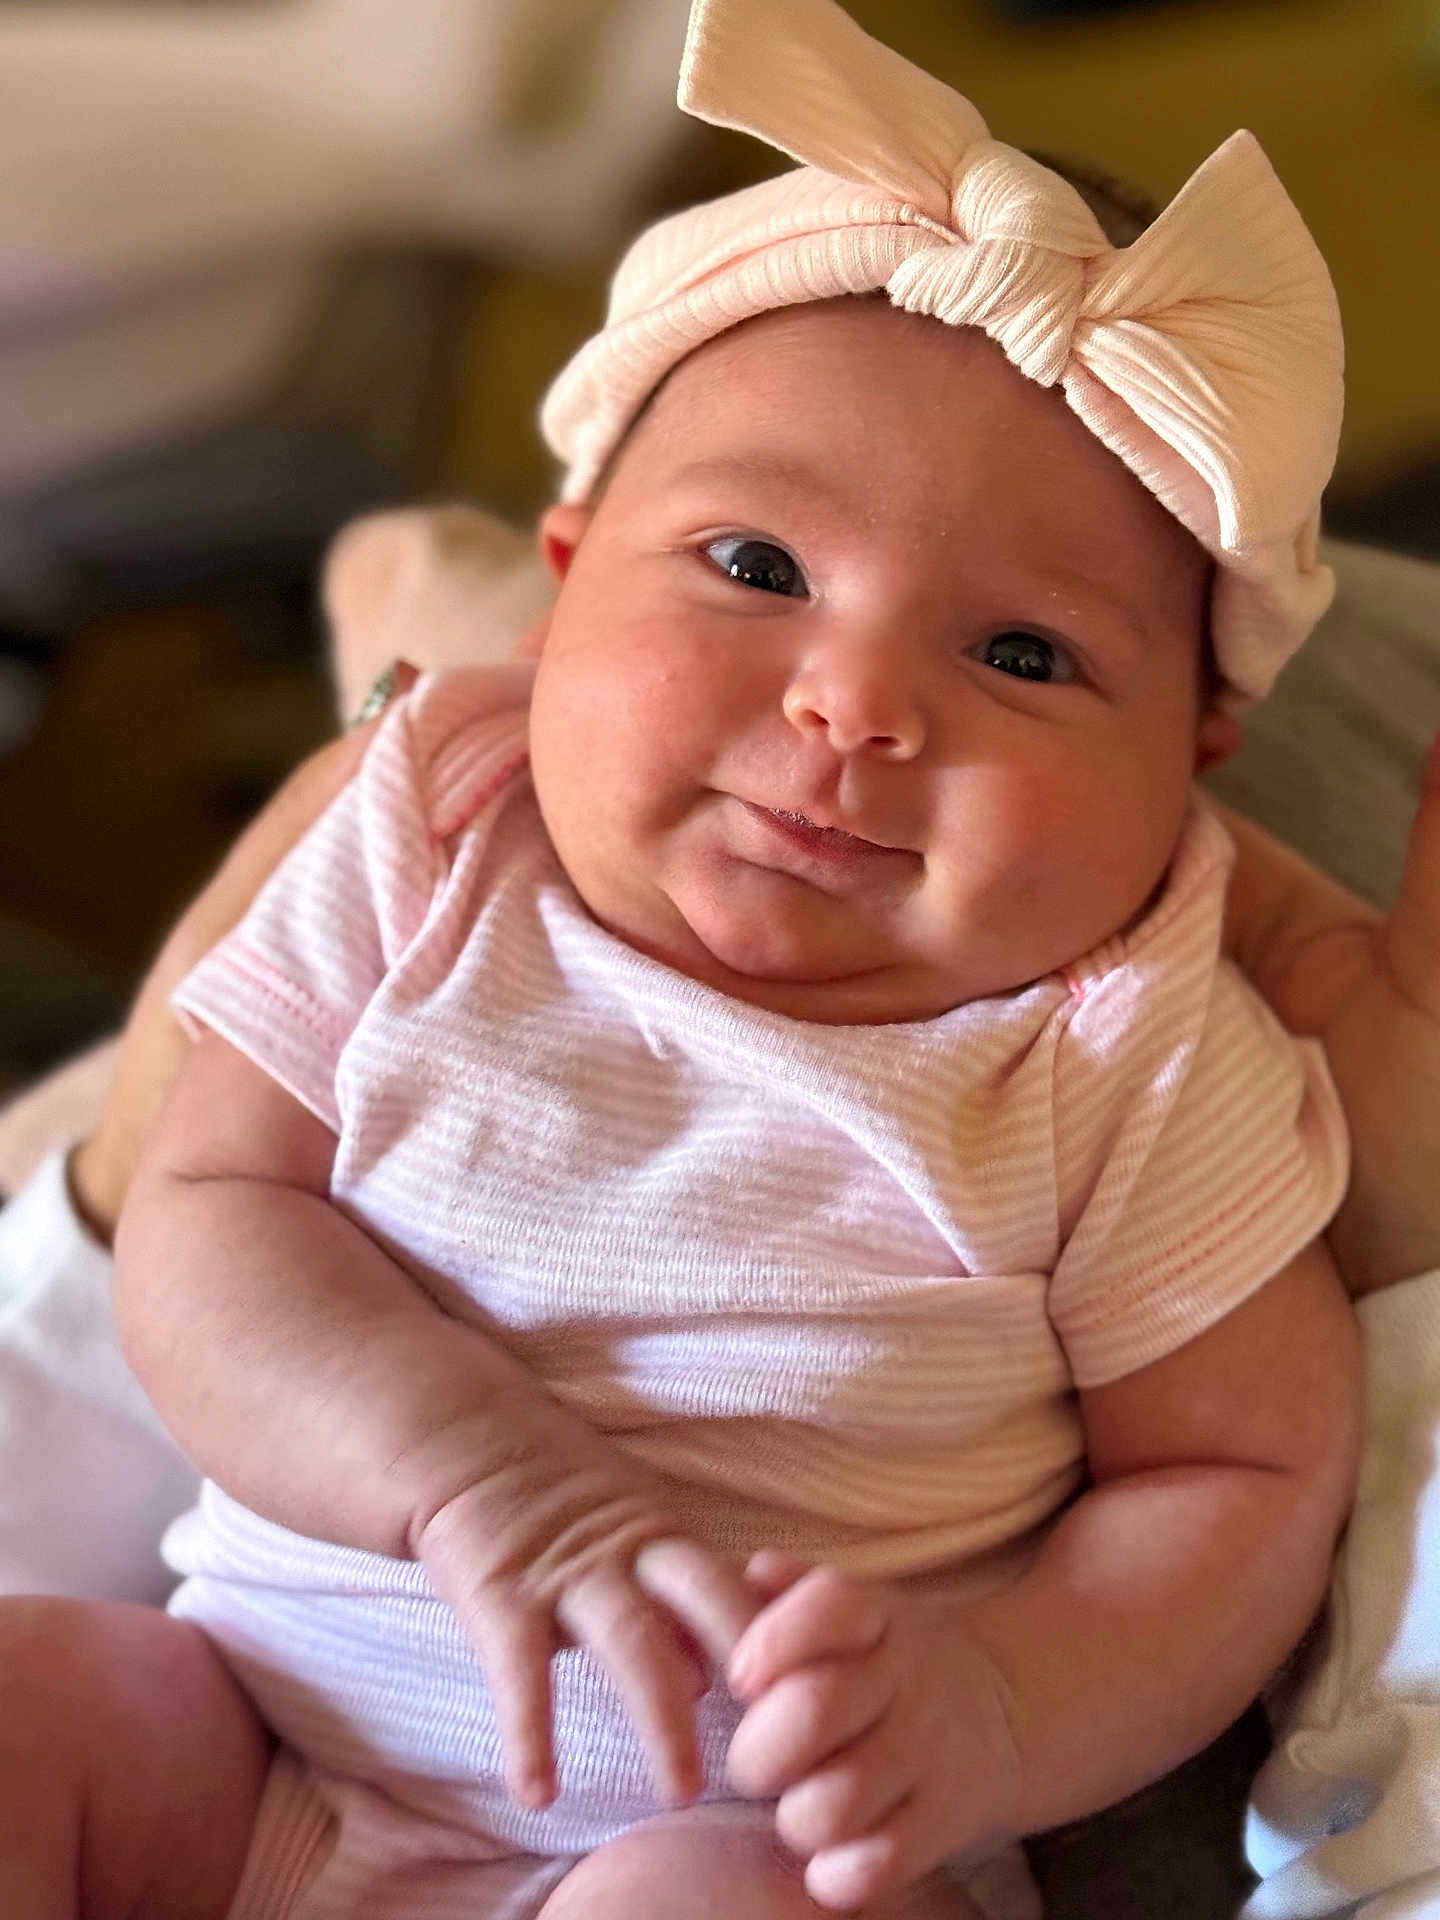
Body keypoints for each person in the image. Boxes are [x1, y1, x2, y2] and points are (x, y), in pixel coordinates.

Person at [0, 2, 1370, 1916]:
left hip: (755, 1838)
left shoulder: (1126, 1041)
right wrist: (469, 1473)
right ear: (562, 574)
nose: (855, 705)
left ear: (1195, 756)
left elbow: (1238, 1486)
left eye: (1025, 656)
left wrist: (993, 1702)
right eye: (754, 569)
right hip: (256, 1755)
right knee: (28, 1687)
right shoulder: (431, 823)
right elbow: (211, 1210)